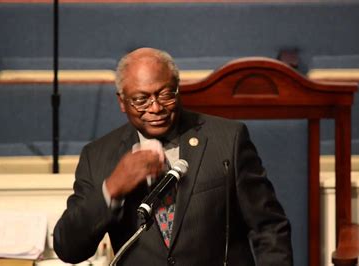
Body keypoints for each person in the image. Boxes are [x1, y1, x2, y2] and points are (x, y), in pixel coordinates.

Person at [53, 47, 293, 265]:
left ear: (179, 90)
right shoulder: (97, 157)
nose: (156, 108)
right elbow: (68, 249)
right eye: (141, 99)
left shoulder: (228, 139)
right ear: (122, 102)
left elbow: (270, 227)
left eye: (166, 94)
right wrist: (112, 189)